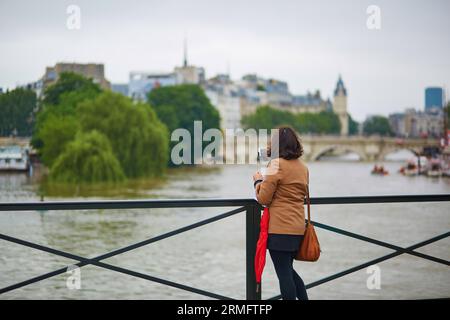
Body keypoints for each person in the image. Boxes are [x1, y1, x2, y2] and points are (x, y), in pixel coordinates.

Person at [253, 126, 309, 300]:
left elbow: (263, 199)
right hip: (298, 228)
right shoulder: (303, 167)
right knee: (289, 272)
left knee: (284, 275)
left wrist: (258, 181)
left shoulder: (276, 165)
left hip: (279, 229)